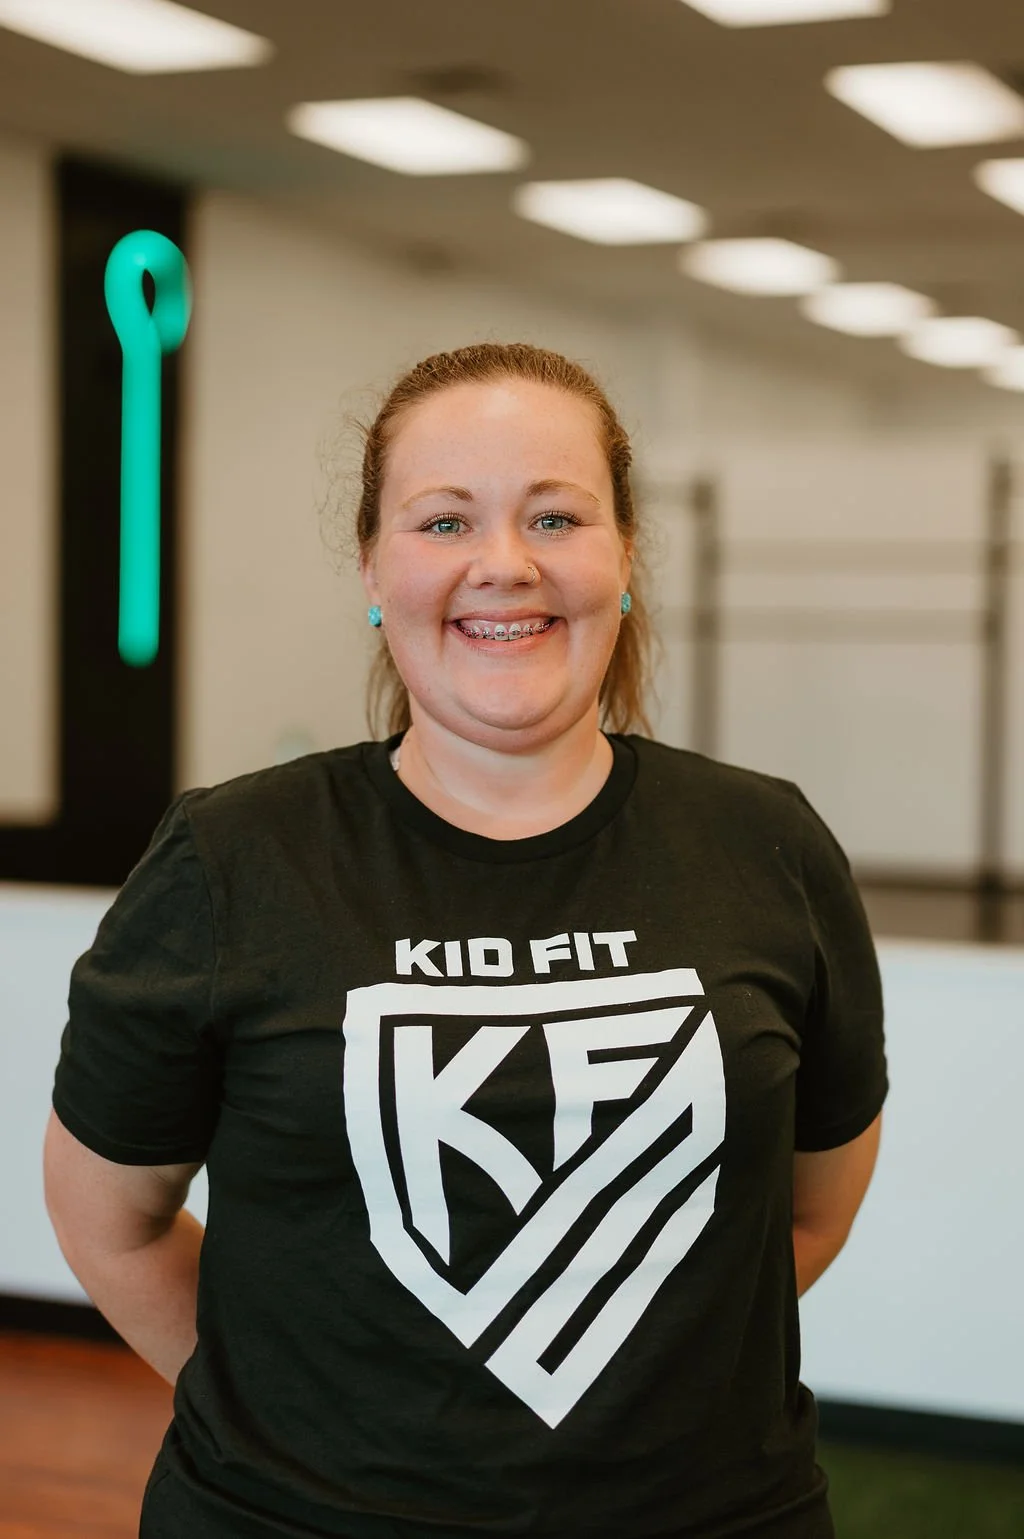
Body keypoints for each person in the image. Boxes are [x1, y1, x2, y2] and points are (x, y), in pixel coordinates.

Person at [44, 342, 887, 1539]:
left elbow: (804, 1217)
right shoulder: (233, 859)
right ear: (373, 566)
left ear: (624, 556)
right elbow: (107, 1221)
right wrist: (300, 1436)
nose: (505, 563)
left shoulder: (765, 843)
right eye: (444, 522)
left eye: (555, 515)